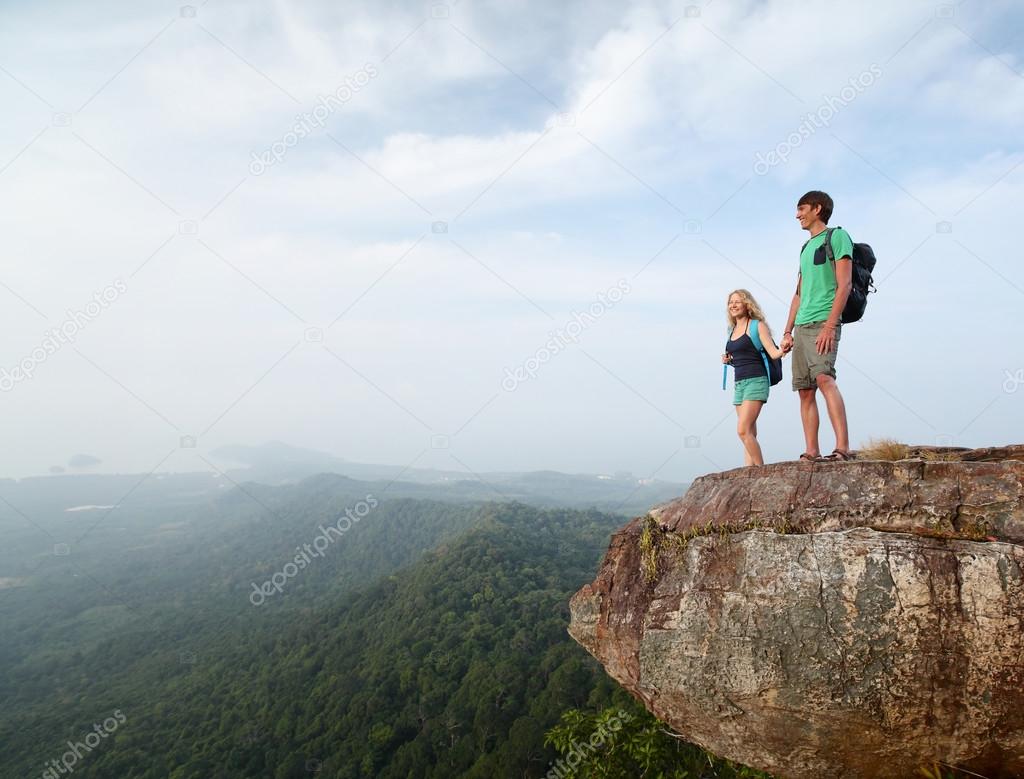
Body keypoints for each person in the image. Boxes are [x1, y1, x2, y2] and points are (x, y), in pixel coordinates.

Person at [779, 190, 853, 461]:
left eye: (801, 209)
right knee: (805, 389)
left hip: (824, 320)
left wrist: (830, 326)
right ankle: (812, 451)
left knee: (825, 379)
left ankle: (842, 448)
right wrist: (787, 331)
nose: (797, 215)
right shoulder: (805, 247)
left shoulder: (838, 237)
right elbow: (798, 293)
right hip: (801, 326)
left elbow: (844, 285)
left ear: (817, 209)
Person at [722, 289, 785, 467]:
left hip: (756, 381)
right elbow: (742, 355)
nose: (733, 305)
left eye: (737, 301)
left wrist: (784, 349)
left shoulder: (757, 326)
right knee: (749, 432)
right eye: (730, 302)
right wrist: (729, 360)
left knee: (742, 430)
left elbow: (773, 353)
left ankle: (761, 471)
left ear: (747, 304)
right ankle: (749, 470)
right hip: (739, 384)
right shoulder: (731, 329)